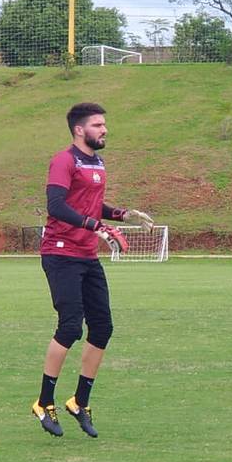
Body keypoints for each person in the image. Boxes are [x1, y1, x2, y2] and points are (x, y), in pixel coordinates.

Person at [32, 102, 154, 438]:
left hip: (86, 256)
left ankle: (79, 402)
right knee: (70, 327)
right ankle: (44, 402)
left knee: (102, 327)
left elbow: (88, 203)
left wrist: (121, 214)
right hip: (60, 254)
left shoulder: (96, 162)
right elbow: (57, 205)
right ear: (79, 129)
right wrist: (94, 226)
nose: (104, 130)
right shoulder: (64, 160)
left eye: (104, 124)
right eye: (98, 125)